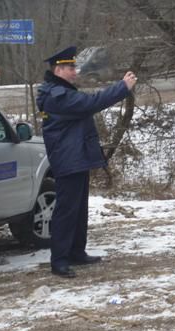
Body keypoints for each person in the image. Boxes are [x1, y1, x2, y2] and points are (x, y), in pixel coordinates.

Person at [37, 46, 137, 278]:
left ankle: (76, 252)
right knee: (66, 210)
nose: (75, 71)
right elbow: (91, 103)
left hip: (76, 157)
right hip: (68, 158)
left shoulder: (60, 90)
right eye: (71, 67)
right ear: (59, 69)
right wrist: (122, 87)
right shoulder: (57, 96)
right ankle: (59, 260)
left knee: (79, 209)